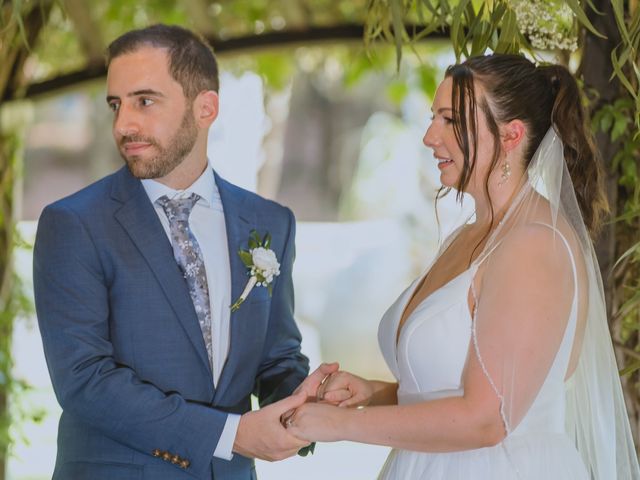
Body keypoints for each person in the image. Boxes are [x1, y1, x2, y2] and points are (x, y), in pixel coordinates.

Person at [284, 54, 640, 479]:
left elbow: (488, 419)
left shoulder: (533, 244)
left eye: (451, 121)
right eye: (433, 117)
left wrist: (343, 425)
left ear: (511, 136)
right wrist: (375, 394)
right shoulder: (472, 233)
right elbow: (455, 386)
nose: (430, 137)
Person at [33, 24, 335, 480]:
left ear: (205, 107)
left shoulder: (270, 223)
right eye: (116, 104)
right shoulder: (74, 224)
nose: (123, 124)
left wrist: (304, 405)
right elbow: (85, 380)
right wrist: (231, 435)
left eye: (144, 101)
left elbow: (276, 357)